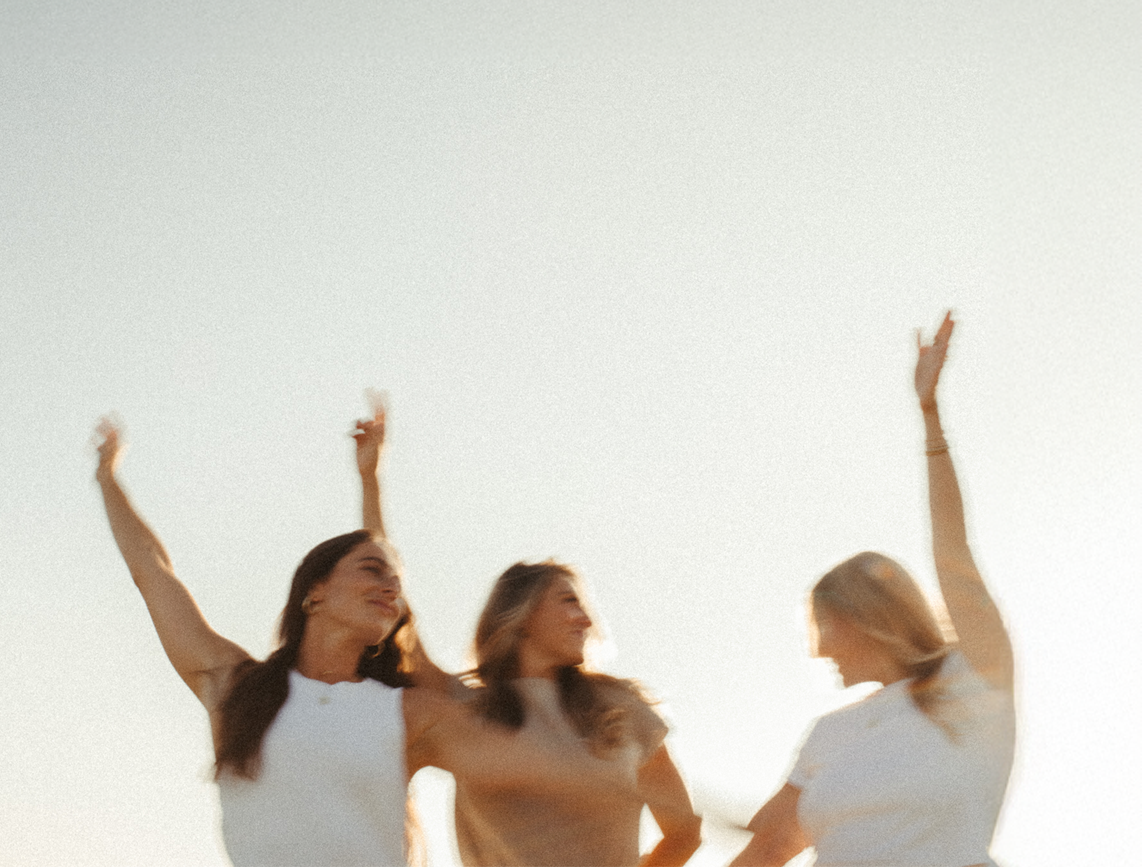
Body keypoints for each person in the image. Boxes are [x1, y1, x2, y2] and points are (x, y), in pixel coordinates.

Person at [93, 415, 458, 867]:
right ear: (315, 592)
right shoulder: (235, 687)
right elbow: (151, 571)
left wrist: (371, 483)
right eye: (371, 572)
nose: (391, 588)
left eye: (396, 583)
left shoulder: (403, 710)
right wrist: (107, 476)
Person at [356, 394, 701, 867]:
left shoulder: (621, 710)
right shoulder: (465, 709)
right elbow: (398, 624)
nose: (586, 619)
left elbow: (684, 832)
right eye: (569, 602)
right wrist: (370, 482)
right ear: (520, 617)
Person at [727, 313, 1014, 867]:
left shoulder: (973, 682)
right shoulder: (829, 735)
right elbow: (766, 851)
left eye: (825, 626)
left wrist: (930, 419)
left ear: (870, 618)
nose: (819, 649)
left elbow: (954, 557)